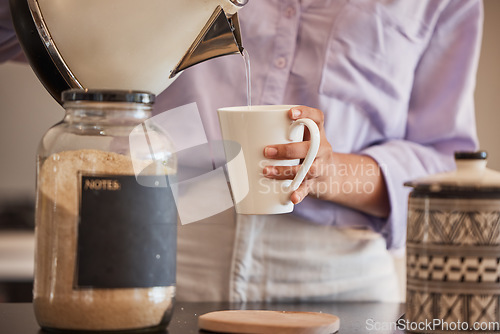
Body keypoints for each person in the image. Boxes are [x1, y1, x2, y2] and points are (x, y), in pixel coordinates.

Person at [0, 0, 483, 302]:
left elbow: (444, 164)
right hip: (154, 244)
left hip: (336, 278)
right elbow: (33, 27)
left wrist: (330, 172)